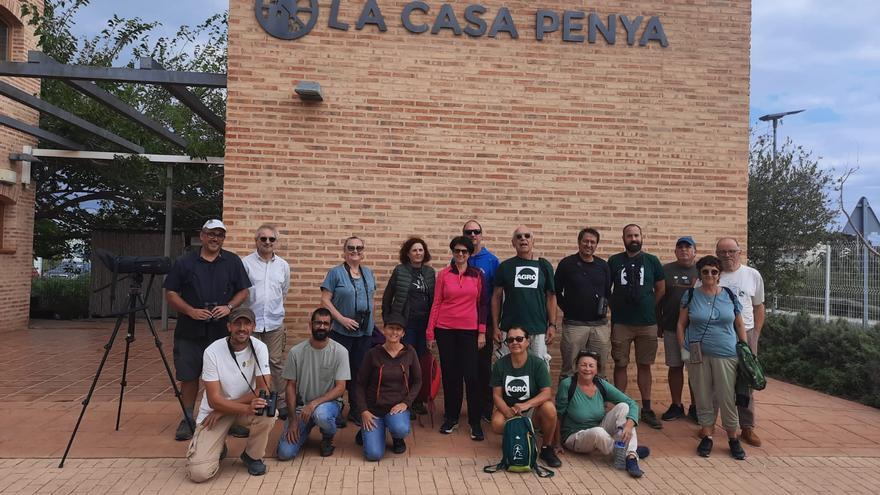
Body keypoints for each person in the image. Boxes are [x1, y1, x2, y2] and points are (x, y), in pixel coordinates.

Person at [165, 219, 251, 441]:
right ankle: (187, 418)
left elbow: (244, 291)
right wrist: (190, 311)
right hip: (190, 329)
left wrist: (229, 307)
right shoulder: (185, 262)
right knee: (189, 375)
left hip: (222, 330)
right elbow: (171, 293)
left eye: (220, 235)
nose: (215, 239)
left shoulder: (232, 261)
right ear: (201, 236)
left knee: (226, 376)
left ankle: (228, 416)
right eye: (211, 234)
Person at [184, 308, 276, 482]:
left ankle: (252, 456)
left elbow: (263, 389)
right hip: (214, 413)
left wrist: (228, 409)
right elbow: (213, 399)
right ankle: (219, 447)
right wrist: (238, 408)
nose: (242, 328)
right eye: (237, 324)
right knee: (199, 473)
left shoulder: (260, 347)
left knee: (268, 413)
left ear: (254, 326)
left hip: (228, 409)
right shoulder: (212, 351)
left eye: (247, 324)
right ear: (229, 327)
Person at [676, 255, 749, 460]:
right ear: (700, 273)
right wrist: (684, 349)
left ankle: (733, 438)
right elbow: (681, 324)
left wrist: (744, 349)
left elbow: (740, 325)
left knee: (727, 396)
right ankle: (707, 435)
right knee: (702, 395)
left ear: (719, 275)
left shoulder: (729, 295)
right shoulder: (691, 295)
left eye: (714, 271)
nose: (709, 275)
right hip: (697, 352)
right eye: (705, 271)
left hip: (726, 352)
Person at [426, 236, 487, 439]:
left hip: (469, 331)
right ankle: (451, 418)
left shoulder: (477, 275)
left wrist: (481, 332)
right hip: (445, 330)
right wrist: (430, 331)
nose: (460, 254)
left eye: (464, 251)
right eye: (457, 251)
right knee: (451, 376)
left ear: (470, 254)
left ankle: (474, 421)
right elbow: (436, 303)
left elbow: (482, 305)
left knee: (471, 376)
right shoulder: (444, 274)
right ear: (452, 252)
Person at [607, 224, 666, 430]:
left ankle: (647, 408)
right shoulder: (614, 261)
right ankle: (620, 408)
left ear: (642, 237)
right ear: (623, 238)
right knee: (620, 364)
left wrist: (649, 304)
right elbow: (608, 289)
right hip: (621, 322)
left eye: (636, 235)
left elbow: (660, 288)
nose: (633, 238)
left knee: (645, 365)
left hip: (647, 323)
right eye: (629, 235)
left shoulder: (652, 261)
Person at [556, 351, 650, 478]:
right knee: (597, 432)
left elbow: (632, 403)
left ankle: (630, 455)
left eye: (591, 366)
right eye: (583, 365)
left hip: (599, 427)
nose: (587, 369)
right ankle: (629, 453)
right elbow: (558, 415)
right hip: (574, 437)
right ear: (577, 367)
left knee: (623, 407)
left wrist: (629, 425)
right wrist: (556, 443)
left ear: (597, 369)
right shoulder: (567, 384)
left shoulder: (600, 384)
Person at [276, 308, 349, 460]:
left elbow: (341, 388)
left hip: (328, 405)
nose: (321, 327)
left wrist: (314, 404)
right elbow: (290, 386)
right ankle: (305, 429)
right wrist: (293, 420)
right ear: (310, 325)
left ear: (331, 327)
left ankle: (328, 436)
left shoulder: (340, 352)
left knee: (321, 415)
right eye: (318, 323)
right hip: (301, 408)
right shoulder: (296, 352)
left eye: (325, 323)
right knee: (284, 453)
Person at [321, 236, 377, 427]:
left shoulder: (368, 273)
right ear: (344, 251)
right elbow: (325, 300)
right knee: (337, 373)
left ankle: (355, 409)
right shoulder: (335, 273)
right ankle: (334, 410)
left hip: (363, 333)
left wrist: (372, 323)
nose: (355, 251)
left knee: (359, 372)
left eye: (359, 248)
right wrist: (342, 319)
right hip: (341, 332)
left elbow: (372, 298)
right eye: (351, 248)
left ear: (364, 251)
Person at [716, 237, 766, 447]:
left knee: (745, 380)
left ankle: (747, 426)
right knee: (716, 381)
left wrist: (755, 334)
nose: (727, 255)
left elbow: (759, 306)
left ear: (739, 251)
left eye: (731, 251)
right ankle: (708, 424)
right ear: (716, 253)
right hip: (718, 336)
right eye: (722, 252)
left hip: (745, 334)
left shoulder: (752, 275)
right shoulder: (712, 274)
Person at [490, 327, 561, 468]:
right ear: (507, 344)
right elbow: (496, 395)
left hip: (532, 410)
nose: (515, 342)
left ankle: (546, 449)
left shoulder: (538, 364)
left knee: (550, 409)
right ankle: (518, 438)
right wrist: (506, 411)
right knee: (497, 423)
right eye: (510, 340)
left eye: (519, 339)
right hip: (510, 408)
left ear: (528, 341)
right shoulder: (500, 365)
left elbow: (546, 393)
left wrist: (526, 405)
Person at [242, 224, 291, 423]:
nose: (268, 242)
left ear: (276, 242)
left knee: (275, 362)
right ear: (256, 241)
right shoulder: (245, 263)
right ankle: (252, 402)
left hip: (274, 322)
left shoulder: (283, 266)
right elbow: (242, 291)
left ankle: (280, 402)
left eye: (272, 239)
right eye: (263, 239)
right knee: (248, 363)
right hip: (250, 323)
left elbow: (284, 291)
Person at [355, 316, 422, 461]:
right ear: (384, 330)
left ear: (403, 333)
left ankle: (397, 437)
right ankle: (368, 430)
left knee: (400, 428)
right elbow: (359, 384)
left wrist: (406, 403)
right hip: (374, 410)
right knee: (374, 455)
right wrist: (364, 411)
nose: (394, 332)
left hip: (396, 408)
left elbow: (418, 381)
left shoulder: (410, 352)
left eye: (398, 329)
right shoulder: (373, 354)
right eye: (391, 328)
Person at [492, 226, 557, 367]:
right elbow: (496, 297)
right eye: (519, 236)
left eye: (527, 236)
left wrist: (552, 325)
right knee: (507, 368)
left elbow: (551, 297)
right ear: (513, 242)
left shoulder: (544, 265)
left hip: (538, 329)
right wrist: (495, 327)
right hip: (509, 328)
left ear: (533, 241)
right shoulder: (505, 267)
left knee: (540, 368)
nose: (523, 239)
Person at [554, 227, 612, 379]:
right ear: (579, 243)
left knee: (599, 369)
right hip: (574, 325)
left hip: (599, 325)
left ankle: (599, 403)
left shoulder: (603, 266)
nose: (589, 245)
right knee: (570, 369)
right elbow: (555, 292)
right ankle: (566, 402)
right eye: (585, 241)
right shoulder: (567, 264)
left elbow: (607, 292)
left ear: (596, 245)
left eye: (593, 242)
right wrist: (567, 307)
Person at [656, 236, 699, 422]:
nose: (684, 250)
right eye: (680, 247)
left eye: (688, 247)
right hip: (672, 328)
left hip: (696, 331)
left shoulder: (702, 270)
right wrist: (659, 323)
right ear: (675, 251)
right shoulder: (665, 270)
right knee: (675, 367)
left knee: (694, 368)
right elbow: (658, 299)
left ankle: (696, 407)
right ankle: (676, 405)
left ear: (694, 251)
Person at [462, 220, 500, 423]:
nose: (472, 235)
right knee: (467, 367)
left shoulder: (492, 261)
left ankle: (486, 408)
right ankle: (470, 408)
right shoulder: (460, 259)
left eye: (476, 232)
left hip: (485, 322)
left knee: (484, 367)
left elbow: (497, 294)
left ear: (481, 235)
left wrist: (494, 324)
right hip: (463, 324)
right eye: (468, 232)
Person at [381, 237, 435, 359]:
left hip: (424, 323)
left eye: (421, 250)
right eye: (414, 250)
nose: (418, 253)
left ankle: (417, 379)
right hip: (406, 322)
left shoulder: (430, 272)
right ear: (408, 253)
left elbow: (433, 299)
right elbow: (387, 297)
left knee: (421, 356)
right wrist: (388, 320)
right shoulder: (400, 270)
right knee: (405, 355)